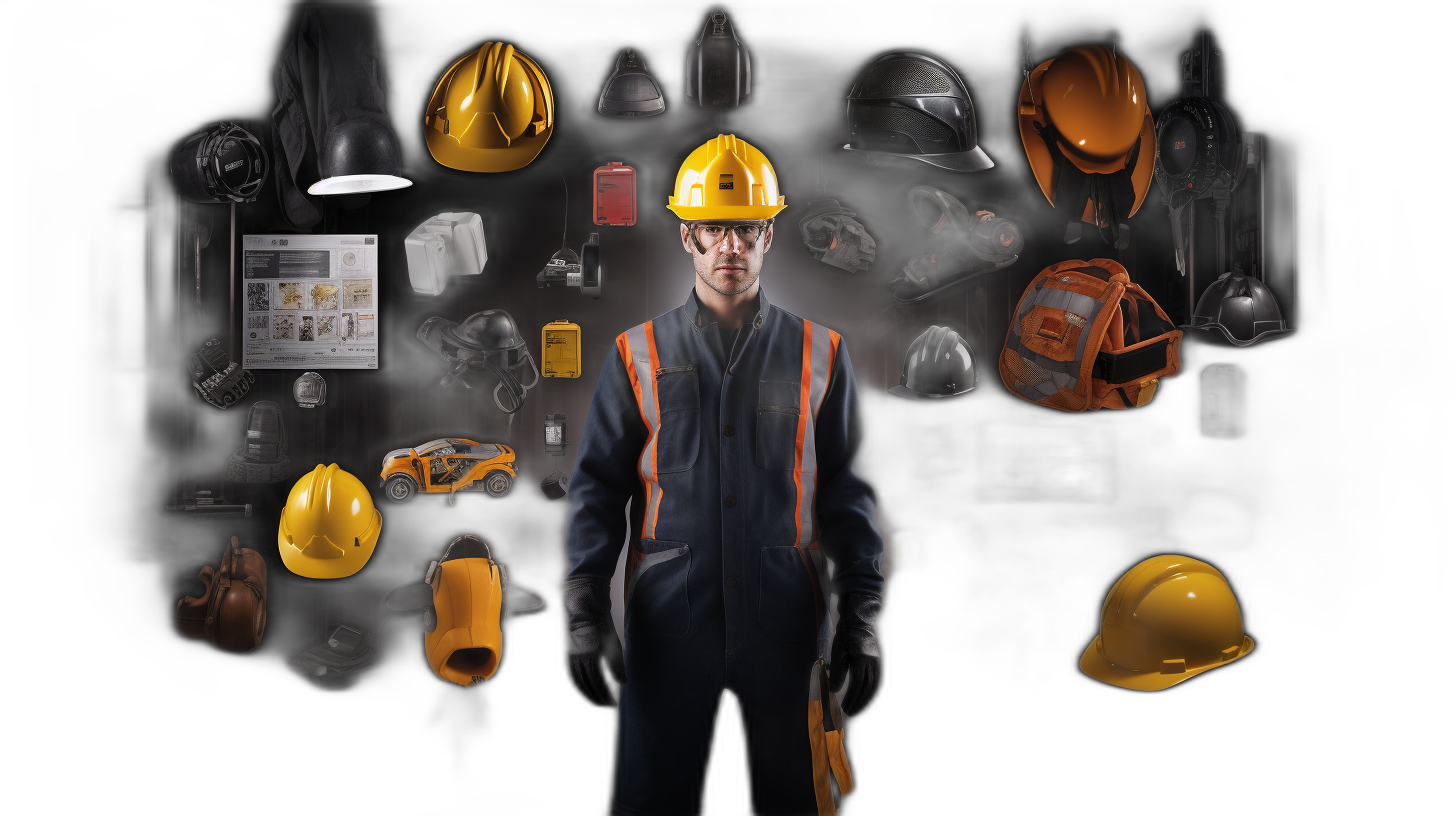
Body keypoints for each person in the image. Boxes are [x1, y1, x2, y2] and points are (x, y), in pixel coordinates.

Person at [562, 135, 884, 816]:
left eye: (745, 229)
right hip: (669, 620)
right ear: (688, 235)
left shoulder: (822, 354)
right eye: (715, 228)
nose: (730, 246)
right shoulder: (637, 352)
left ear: (768, 234)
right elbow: (595, 490)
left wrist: (863, 618)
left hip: (790, 621)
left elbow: (849, 496)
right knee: (651, 801)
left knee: (798, 797)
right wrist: (584, 608)